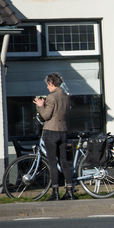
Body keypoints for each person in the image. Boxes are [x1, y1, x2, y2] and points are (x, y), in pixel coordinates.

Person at [33, 73, 75, 201]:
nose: (47, 87)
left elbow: (46, 116)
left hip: (51, 132)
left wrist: (41, 106)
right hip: (62, 132)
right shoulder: (65, 97)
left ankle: (55, 193)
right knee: (64, 162)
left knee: (52, 162)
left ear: (51, 83)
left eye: (47, 85)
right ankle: (69, 191)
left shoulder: (51, 97)